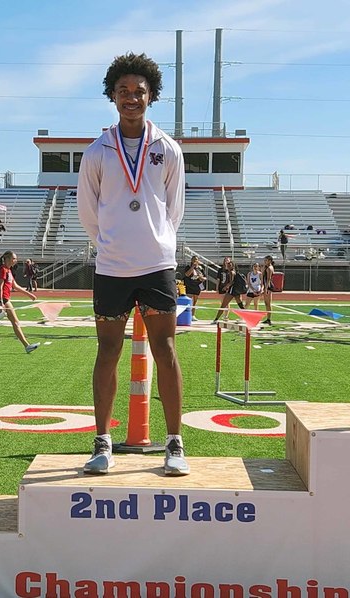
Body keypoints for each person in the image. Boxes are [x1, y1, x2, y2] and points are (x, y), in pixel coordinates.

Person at [77, 52, 189, 476]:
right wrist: (111, 244)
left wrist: (156, 242)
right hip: (112, 267)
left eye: (139, 92)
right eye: (123, 91)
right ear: (112, 96)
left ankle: (175, 443)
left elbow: (172, 211)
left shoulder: (167, 148)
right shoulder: (97, 152)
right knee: (108, 352)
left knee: (166, 349)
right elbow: (89, 212)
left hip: (157, 263)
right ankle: (102, 441)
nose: (131, 98)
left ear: (151, 96)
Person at [0, 251, 38, 354]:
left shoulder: (8, 270)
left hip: (5, 299)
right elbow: (0, 287)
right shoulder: (3, 270)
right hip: (4, 300)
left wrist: (29, 294)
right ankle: (26, 345)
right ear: (8, 259)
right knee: (15, 322)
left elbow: (15, 285)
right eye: (14, 258)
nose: (16, 260)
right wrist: (0, 302)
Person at [213, 258, 247, 322]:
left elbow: (232, 282)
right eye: (228, 265)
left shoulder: (231, 272)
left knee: (223, 305)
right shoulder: (234, 272)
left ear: (233, 266)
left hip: (232, 290)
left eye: (230, 265)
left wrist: (226, 287)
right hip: (236, 291)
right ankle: (247, 317)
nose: (228, 267)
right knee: (240, 305)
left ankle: (216, 319)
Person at [261, 255, 275, 325]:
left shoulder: (269, 268)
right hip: (265, 285)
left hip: (268, 286)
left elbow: (268, 279)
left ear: (270, 261)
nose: (265, 262)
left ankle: (269, 319)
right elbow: (262, 276)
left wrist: (266, 288)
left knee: (268, 303)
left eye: (266, 260)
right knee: (266, 303)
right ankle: (267, 318)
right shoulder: (266, 267)